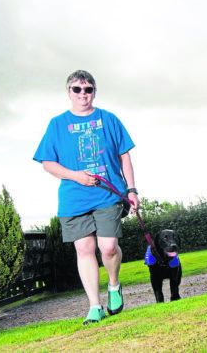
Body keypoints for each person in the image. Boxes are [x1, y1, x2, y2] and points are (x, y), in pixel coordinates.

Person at [34, 70, 140, 325]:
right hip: (74, 198)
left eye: (88, 89)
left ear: (94, 91)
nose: (83, 94)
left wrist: (132, 189)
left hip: (108, 193)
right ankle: (95, 306)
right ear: (69, 92)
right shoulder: (57, 124)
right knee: (84, 249)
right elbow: (47, 162)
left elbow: (125, 156)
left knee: (108, 247)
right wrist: (75, 175)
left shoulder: (109, 119)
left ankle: (114, 285)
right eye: (77, 89)